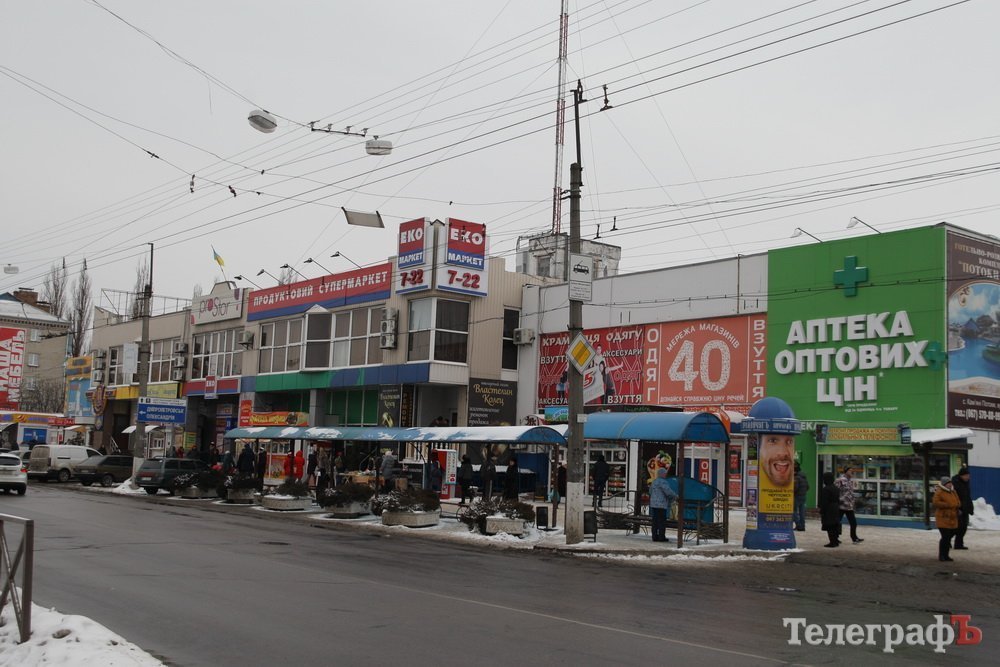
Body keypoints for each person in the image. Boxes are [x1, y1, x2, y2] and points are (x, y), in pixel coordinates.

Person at [932, 476, 960, 562]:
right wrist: (948, 505)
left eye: (950, 483)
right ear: (944, 484)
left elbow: (957, 501)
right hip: (943, 518)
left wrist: (957, 505)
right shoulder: (939, 492)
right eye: (948, 483)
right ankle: (942, 555)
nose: (950, 484)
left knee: (949, 536)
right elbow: (936, 502)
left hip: (952, 518)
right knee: (945, 537)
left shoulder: (953, 492)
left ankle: (946, 555)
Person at [835, 466, 863, 543]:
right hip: (841, 505)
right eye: (850, 470)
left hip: (849, 505)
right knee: (837, 522)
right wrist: (838, 500)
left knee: (853, 523)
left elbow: (850, 492)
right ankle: (835, 537)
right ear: (846, 471)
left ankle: (854, 537)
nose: (852, 472)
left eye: (852, 470)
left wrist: (853, 501)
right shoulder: (840, 480)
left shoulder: (850, 481)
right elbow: (835, 490)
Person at [649, 468, 677, 543]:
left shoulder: (654, 482)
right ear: (662, 474)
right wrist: (675, 496)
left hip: (654, 504)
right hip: (661, 505)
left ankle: (654, 536)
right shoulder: (663, 482)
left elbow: (650, 491)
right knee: (661, 521)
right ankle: (661, 537)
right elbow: (668, 492)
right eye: (665, 473)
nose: (666, 474)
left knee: (655, 521)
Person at [952, 467, 973, 550]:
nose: (968, 477)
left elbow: (967, 496)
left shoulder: (966, 483)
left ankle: (959, 544)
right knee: (956, 528)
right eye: (967, 475)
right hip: (958, 509)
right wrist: (957, 507)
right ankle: (947, 540)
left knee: (963, 527)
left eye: (968, 475)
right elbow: (954, 497)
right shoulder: (955, 483)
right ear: (962, 475)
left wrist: (970, 507)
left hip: (965, 509)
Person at [819, 472, 841, 547]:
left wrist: (822, 510)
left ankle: (832, 542)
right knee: (835, 525)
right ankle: (836, 540)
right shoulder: (836, 488)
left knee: (829, 526)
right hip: (836, 507)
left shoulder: (826, 489)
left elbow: (824, 501)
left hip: (829, 508)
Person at [793, 462, 809, 531]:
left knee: (793, 511)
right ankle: (802, 526)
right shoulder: (804, 476)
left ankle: (798, 525)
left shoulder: (796, 477)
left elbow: (795, 487)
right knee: (802, 512)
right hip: (803, 496)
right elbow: (808, 487)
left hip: (796, 496)